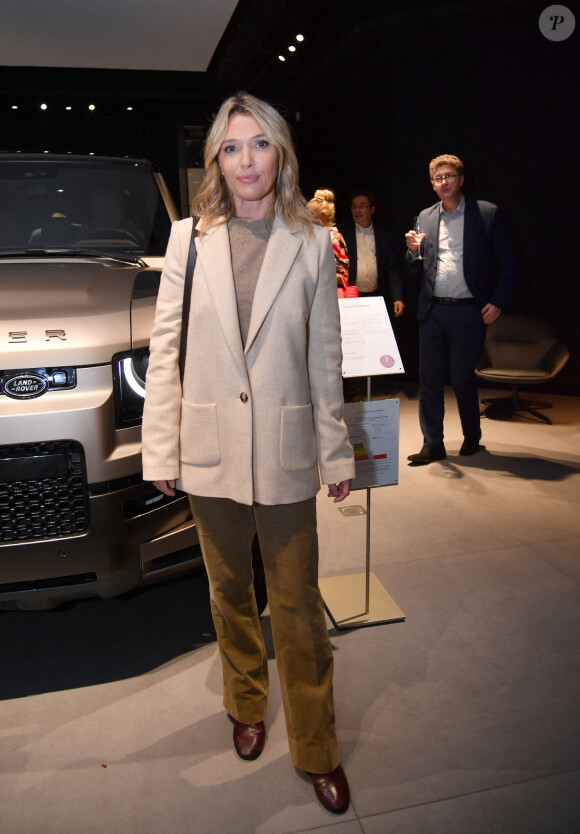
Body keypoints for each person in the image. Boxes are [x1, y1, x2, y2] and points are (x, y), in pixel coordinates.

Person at [142, 92, 355, 815]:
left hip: (289, 450)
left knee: (297, 608)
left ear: (281, 154)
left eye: (258, 145)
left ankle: (318, 745)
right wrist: (160, 447)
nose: (245, 161)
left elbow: (324, 356)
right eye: (230, 148)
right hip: (207, 452)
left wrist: (338, 454)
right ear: (215, 160)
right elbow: (165, 349)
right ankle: (246, 705)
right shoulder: (186, 240)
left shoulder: (311, 241)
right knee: (230, 597)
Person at [405, 154, 519, 465]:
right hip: (432, 312)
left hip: (469, 311)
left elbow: (511, 266)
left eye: (449, 176)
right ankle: (433, 444)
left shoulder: (486, 214)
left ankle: (471, 437)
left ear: (461, 179)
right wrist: (412, 253)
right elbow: (416, 269)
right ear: (432, 184)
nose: (444, 182)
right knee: (428, 379)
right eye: (438, 178)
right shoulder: (425, 216)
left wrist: (497, 302)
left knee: (462, 377)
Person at [341, 188, 404, 317]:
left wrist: (398, 297)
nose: (357, 210)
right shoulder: (342, 234)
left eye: (362, 206)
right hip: (350, 298)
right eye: (354, 207)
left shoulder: (384, 235)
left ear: (372, 209)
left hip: (377, 296)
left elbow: (393, 269)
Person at [306, 188, 349, 289]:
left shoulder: (332, 238)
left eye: (311, 213)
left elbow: (343, 275)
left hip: (329, 294)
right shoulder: (312, 236)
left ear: (323, 215)